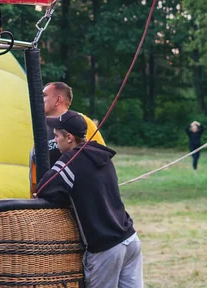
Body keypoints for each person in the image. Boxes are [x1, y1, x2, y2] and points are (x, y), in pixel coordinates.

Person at [36, 110, 142, 288]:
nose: (54, 141)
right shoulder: (101, 154)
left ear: (69, 138)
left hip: (105, 247)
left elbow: (43, 188)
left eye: (56, 136)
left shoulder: (70, 161)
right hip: (130, 239)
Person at [30, 82, 105, 194]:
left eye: (44, 95)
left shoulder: (82, 122)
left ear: (58, 100)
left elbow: (101, 161)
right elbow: (34, 173)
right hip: (48, 201)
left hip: (77, 201)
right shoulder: (41, 129)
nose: (40, 100)